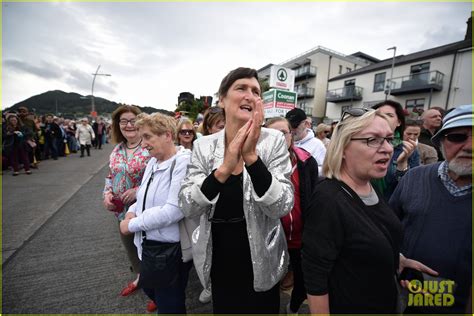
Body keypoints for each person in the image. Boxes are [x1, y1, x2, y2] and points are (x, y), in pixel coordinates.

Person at [179, 67, 294, 313]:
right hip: (220, 256)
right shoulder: (203, 145)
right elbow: (188, 205)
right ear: (222, 98)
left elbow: (282, 205)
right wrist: (223, 169)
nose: (250, 95)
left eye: (256, 91)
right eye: (241, 88)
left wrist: (251, 158)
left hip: (261, 257)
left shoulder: (273, 140)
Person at [302, 108, 436, 314]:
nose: (388, 149)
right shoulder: (328, 199)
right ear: (344, 147)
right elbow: (315, 275)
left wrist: (397, 260)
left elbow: (360, 241)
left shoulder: (368, 184)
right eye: (373, 140)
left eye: (389, 139)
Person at [389, 104, 472, 314]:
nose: (470, 146)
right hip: (402, 300)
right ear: (441, 142)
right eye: (458, 137)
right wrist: (395, 258)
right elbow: (387, 228)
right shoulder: (414, 177)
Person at [120, 112, 193, 314]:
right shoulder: (154, 161)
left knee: (170, 306)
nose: (143, 144)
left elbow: (174, 210)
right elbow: (142, 195)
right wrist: (131, 212)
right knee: (151, 288)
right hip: (148, 245)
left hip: (168, 251)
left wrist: (131, 225)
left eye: (147, 137)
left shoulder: (183, 163)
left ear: (168, 135)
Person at [265, 117, 318, 314]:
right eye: (272, 134)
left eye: (283, 133)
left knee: (303, 282)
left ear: (291, 135)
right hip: (270, 239)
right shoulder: (256, 164)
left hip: (300, 238)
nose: (278, 138)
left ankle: (293, 309)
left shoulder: (306, 161)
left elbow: (312, 195)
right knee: (269, 284)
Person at [102, 105, 152, 308]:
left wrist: (138, 191)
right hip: (121, 211)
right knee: (130, 246)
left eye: (133, 120)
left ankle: (155, 289)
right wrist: (106, 194)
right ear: (117, 125)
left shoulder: (149, 145)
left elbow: (160, 175)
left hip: (146, 209)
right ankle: (141, 277)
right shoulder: (116, 150)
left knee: (149, 248)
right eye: (124, 121)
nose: (129, 125)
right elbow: (110, 176)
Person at [195, 105, 226, 304]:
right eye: (219, 127)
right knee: (209, 254)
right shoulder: (201, 152)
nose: (224, 132)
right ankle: (209, 284)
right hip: (211, 217)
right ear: (208, 129)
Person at [371, 100, 419, 200]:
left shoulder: (408, 150)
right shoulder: (360, 143)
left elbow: (412, 187)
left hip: (390, 206)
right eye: (378, 115)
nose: (383, 118)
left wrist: (402, 166)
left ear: (399, 122)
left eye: (389, 115)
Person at [286, 108, 326, 174]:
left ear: (306, 123)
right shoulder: (285, 142)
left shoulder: (317, 145)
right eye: (289, 127)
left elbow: (324, 170)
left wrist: (306, 169)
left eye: (295, 126)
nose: (292, 130)